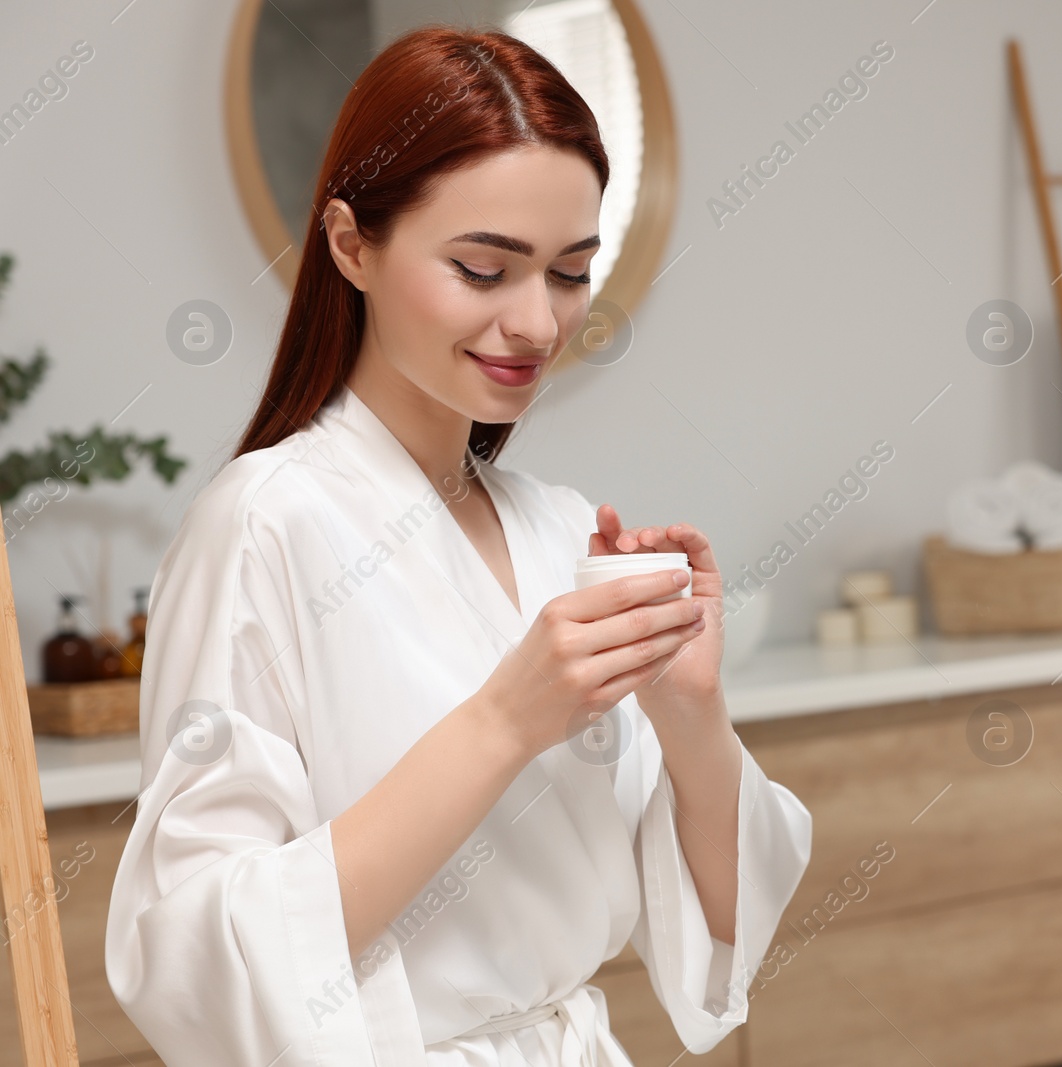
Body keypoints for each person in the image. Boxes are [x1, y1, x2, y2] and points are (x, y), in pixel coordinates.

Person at [105, 24, 812, 1066]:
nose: (536, 321)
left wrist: (690, 709)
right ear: (351, 244)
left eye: (571, 273)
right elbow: (198, 955)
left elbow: (719, 924)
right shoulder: (264, 525)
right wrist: (503, 720)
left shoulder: (560, 526)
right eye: (484, 268)